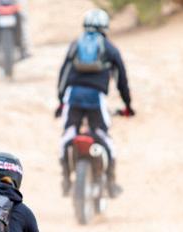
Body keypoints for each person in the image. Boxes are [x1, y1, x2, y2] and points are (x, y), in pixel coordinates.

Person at [55, 8, 133, 198]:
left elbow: (63, 75)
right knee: (104, 137)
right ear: (105, 27)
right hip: (96, 99)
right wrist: (127, 105)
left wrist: (61, 101)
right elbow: (121, 80)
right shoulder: (110, 48)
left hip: (73, 97)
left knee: (68, 135)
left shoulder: (75, 45)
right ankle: (111, 184)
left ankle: (66, 179)